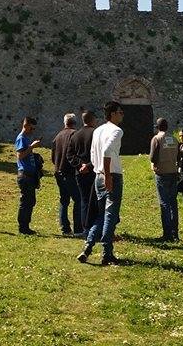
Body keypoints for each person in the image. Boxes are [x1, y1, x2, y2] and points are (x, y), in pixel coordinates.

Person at [77, 101, 124, 266]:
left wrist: (101, 172)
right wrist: (108, 175)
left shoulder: (97, 130)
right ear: (112, 114)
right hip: (111, 175)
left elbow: (93, 155)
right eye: (120, 112)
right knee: (111, 215)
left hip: (98, 176)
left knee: (101, 215)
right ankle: (107, 252)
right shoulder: (117, 131)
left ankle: (88, 247)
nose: (122, 115)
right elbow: (107, 151)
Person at [66, 109, 97, 234]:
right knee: (94, 200)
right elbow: (99, 154)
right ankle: (94, 227)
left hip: (80, 173)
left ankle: (85, 228)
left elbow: (69, 155)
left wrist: (80, 165)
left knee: (84, 200)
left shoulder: (75, 135)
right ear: (93, 120)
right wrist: (88, 166)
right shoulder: (96, 134)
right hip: (93, 171)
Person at [51, 113, 82, 236]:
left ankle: (65, 228)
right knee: (78, 199)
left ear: (65, 122)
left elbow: (53, 157)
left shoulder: (58, 136)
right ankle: (78, 228)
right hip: (70, 172)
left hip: (58, 171)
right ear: (75, 122)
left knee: (64, 200)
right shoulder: (75, 135)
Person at [149, 117, 179, 241]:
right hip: (173, 172)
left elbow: (152, 158)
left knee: (164, 203)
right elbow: (178, 156)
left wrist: (154, 165)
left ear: (157, 127)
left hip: (162, 173)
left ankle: (167, 234)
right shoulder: (174, 139)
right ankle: (175, 233)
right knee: (173, 203)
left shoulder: (156, 139)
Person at [14, 116, 42, 235]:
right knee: (26, 202)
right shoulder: (21, 138)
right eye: (31, 128)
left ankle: (26, 226)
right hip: (24, 175)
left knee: (30, 201)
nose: (32, 131)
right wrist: (32, 147)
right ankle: (23, 227)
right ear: (25, 125)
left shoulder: (26, 138)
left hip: (30, 175)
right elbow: (20, 156)